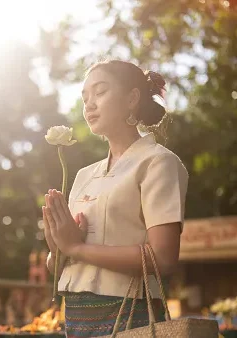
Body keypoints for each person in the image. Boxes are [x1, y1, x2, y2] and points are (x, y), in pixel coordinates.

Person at [42, 60, 189, 337]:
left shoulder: (158, 163)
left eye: (100, 92)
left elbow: (164, 258)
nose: (89, 104)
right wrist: (56, 248)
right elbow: (57, 266)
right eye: (85, 97)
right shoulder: (84, 175)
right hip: (75, 317)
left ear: (132, 98)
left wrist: (75, 248)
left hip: (130, 314)